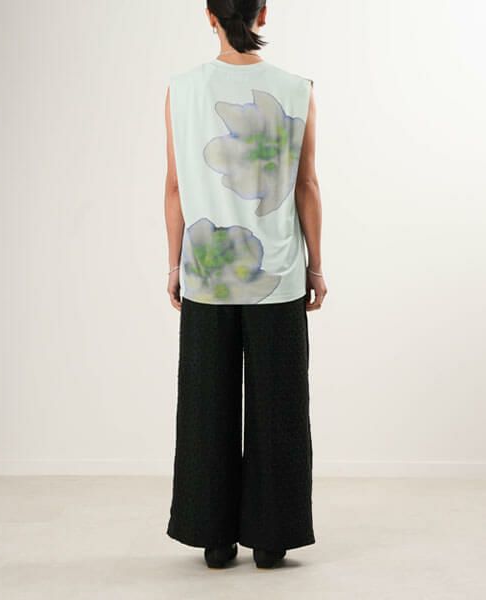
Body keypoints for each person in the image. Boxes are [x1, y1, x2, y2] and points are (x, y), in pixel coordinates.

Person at [164, 0, 327, 570]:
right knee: (279, 406)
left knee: (205, 406)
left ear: (209, 16)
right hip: (277, 275)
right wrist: (315, 266)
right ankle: (272, 538)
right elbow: (306, 185)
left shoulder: (181, 90)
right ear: (264, 13)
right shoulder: (297, 89)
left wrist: (173, 266)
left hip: (207, 272)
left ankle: (212, 537)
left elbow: (175, 187)